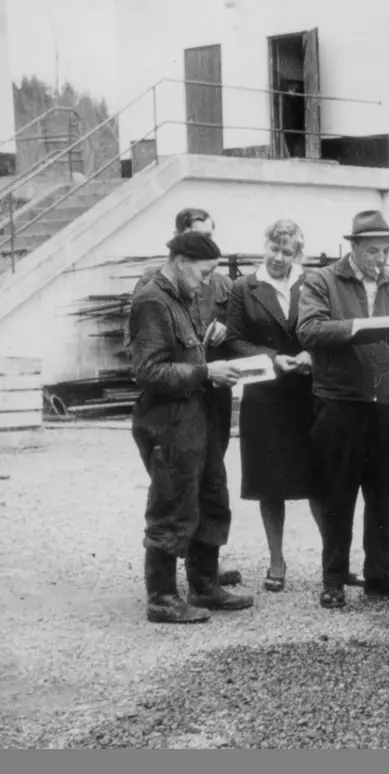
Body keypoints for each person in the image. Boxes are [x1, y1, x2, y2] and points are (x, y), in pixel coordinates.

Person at [225, 219, 364, 594]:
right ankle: (276, 560)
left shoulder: (314, 282)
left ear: (298, 254)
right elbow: (234, 339)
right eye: (274, 249)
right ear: (264, 246)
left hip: (311, 393)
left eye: (287, 252)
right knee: (269, 483)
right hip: (266, 395)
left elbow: (329, 327)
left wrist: (309, 354)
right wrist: (274, 358)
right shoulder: (244, 287)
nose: (278, 257)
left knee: (321, 479)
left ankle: (334, 562)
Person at [295, 210, 389, 609]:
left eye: (385, 251)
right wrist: (356, 329)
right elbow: (308, 330)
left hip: (387, 403)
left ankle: (380, 577)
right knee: (338, 495)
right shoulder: (322, 281)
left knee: (384, 493)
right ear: (353, 247)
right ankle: (333, 580)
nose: (380, 259)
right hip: (340, 401)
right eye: (372, 251)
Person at [129, 231, 254, 624]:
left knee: (211, 496)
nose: (207, 282)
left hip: (197, 417)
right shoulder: (152, 300)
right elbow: (149, 371)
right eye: (204, 273)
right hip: (168, 424)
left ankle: (204, 585)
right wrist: (205, 372)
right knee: (172, 505)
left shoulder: (179, 297)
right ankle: (162, 599)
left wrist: (210, 373)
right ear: (182, 262)